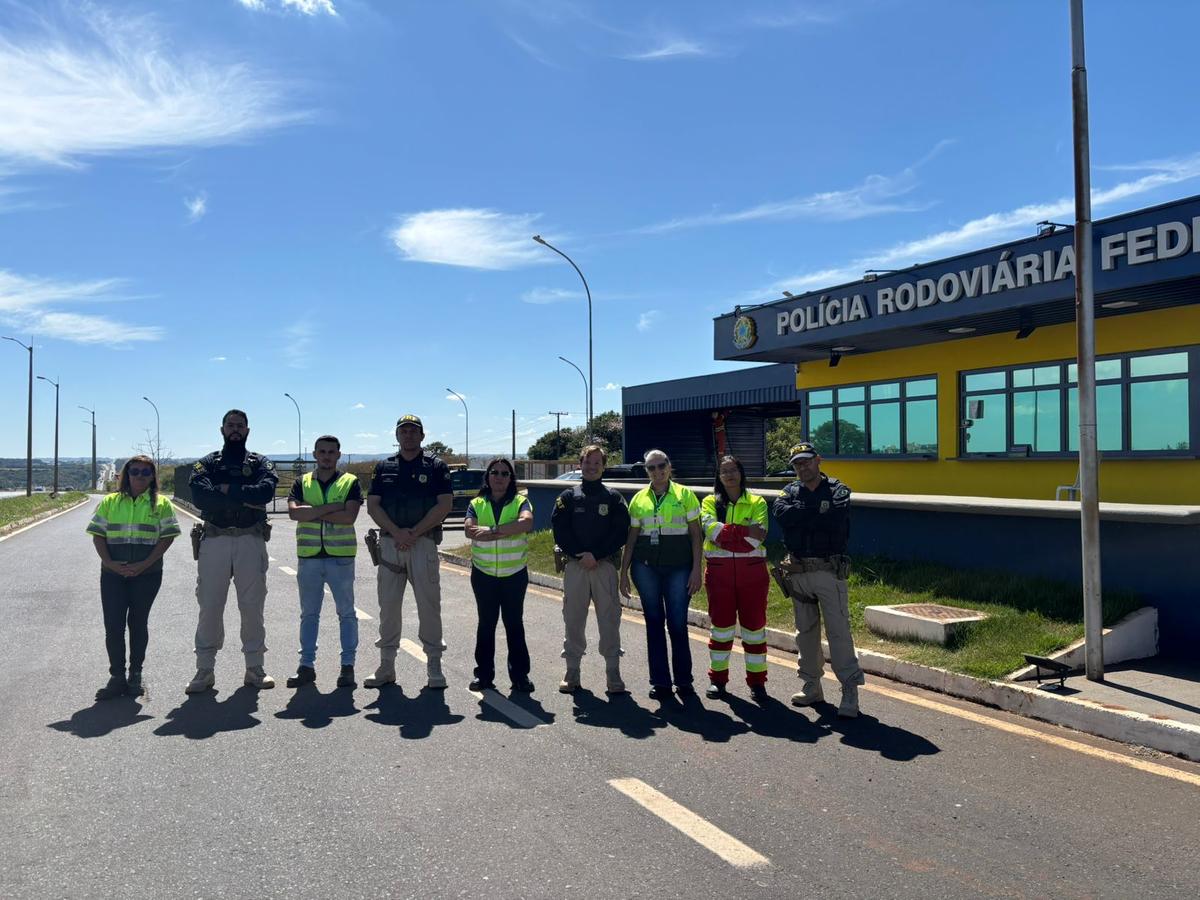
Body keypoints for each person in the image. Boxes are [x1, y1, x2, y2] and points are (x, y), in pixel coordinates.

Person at [187, 409, 279, 694]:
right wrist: (243, 495)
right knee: (210, 605)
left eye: (240, 425)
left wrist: (225, 488)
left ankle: (255, 668)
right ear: (222, 429)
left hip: (250, 538)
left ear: (247, 431)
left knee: (252, 606)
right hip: (215, 539)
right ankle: (204, 670)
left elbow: (265, 493)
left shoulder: (260, 462)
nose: (235, 429)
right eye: (231, 425)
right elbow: (200, 496)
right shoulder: (207, 463)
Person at [771, 442, 864, 718]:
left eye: (807, 461)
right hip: (798, 571)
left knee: (838, 632)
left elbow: (834, 520)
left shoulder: (837, 490)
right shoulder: (788, 492)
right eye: (797, 464)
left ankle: (849, 689)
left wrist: (802, 514)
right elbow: (782, 515)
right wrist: (816, 511)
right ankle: (811, 685)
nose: (803, 467)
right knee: (805, 632)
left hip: (828, 570)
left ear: (818, 460)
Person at [364, 414, 452, 690]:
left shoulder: (435, 466)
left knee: (429, 606)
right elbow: (373, 505)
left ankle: (434, 665)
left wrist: (413, 533)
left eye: (414, 431)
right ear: (397, 435)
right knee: (388, 607)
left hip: (422, 543)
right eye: (404, 431)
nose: (409, 435)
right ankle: (386, 666)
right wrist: (397, 532)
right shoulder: (384, 467)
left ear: (422, 436)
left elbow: (444, 504)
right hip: (391, 543)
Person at [86, 455, 180, 699]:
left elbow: (167, 537)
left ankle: (135, 674)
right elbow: (98, 534)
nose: (140, 476)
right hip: (112, 575)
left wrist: (143, 565)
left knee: (138, 624)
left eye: (146, 472)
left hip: (147, 574)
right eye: (135, 471)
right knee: (113, 626)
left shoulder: (161, 504)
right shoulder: (110, 501)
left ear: (152, 477)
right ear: (126, 474)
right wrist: (110, 563)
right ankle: (117, 677)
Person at [620, 449, 702, 699]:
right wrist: (623, 573)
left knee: (677, 623)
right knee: (654, 622)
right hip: (646, 568)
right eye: (651, 467)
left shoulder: (685, 495)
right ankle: (660, 682)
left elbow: (696, 536)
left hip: (679, 567)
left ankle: (684, 681)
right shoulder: (639, 499)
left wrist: (697, 569)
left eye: (661, 465)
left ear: (669, 465)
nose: (657, 471)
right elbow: (631, 539)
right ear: (646, 471)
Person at [550, 444, 631, 695]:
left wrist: (596, 555)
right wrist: (580, 554)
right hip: (576, 565)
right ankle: (572, 671)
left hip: (604, 565)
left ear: (604, 467)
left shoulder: (614, 498)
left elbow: (620, 532)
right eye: (587, 462)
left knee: (609, 619)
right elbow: (560, 531)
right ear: (580, 464)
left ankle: (613, 672)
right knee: (573, 619)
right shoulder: (567, 497)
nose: (592, 467)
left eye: (597, 463)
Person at [286, 435, 362, 689]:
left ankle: (347, 666)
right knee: (309, 614)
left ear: (338, 455)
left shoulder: (350, 482)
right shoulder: (302, 482)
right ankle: (306, 666)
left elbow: (349, 517)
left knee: (346, 613)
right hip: (309, 558)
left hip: (340, 558)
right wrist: (330, 508)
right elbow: (293, 513)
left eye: (331, 452)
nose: (326, 456)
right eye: (322, 452)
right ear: (315, 455)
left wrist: (311, 512)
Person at [699, 455, 770, 701]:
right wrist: (745, 530)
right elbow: (712, 531)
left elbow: (756, 539)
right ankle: (717, 680)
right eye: (724, 471)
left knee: (754, 631)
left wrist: (728, 535)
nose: (729, 475)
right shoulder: (709, 502)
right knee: (721, 630)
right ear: (718, 477)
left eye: (733, 470)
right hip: (719, 575)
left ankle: (757, 682)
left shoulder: (757, 501)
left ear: (741, 473)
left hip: (753, 575)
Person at [463, 457, 534, 692]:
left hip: (514, 574)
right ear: (488, 476)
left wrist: (492, 530)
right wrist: (508, 529)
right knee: (486, 624)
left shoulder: (521, 501)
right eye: (495, 472)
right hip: (483, 574)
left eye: (505, 473)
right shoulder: (476, 503)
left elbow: (526, 523)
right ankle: (483, 675)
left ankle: (520, 677)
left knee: (514, 624)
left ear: (511, 478)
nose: (500, 477)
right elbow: (469, 530)